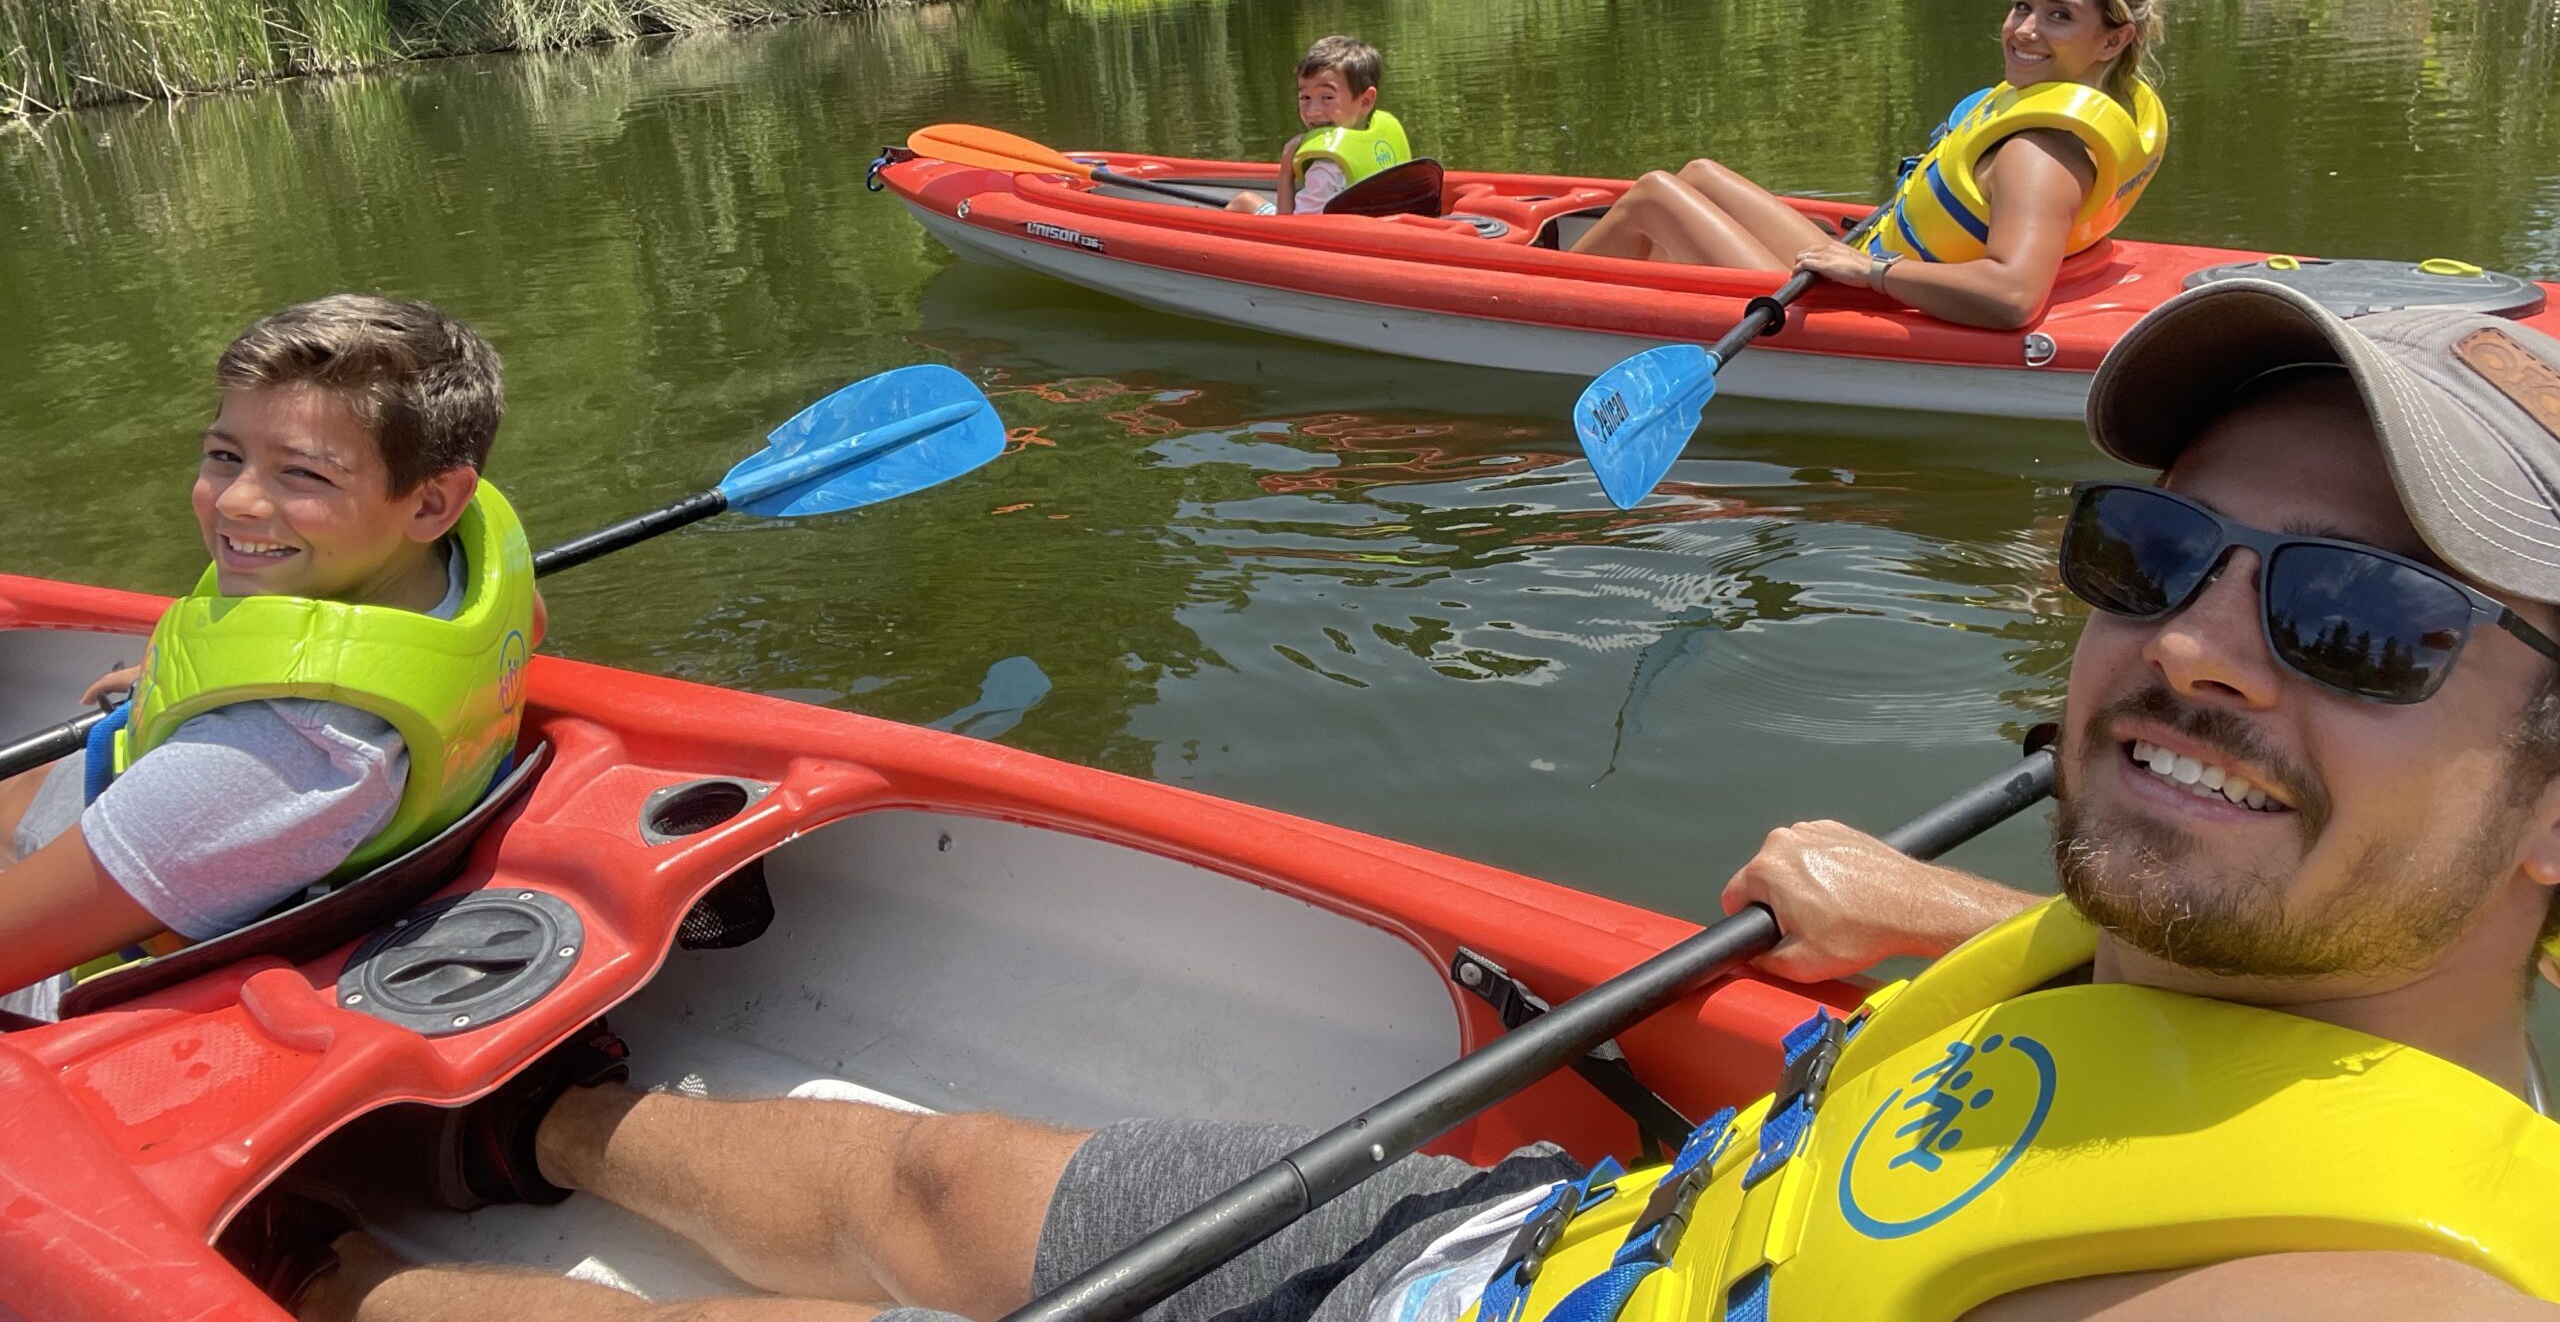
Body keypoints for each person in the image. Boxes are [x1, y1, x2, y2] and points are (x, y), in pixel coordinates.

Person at [277, 280, 2560, 1321]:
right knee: (944, 1172)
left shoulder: (2377, 1277)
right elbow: (2156, 1061)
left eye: (2353, 622)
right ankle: (527, 1136)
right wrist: (1907, 922)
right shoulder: (2224, 946)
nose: (2184, 646)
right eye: (2146, 554)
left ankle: (335, 1275)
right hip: (1531, 1250)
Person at [0, 294, 540, 1018]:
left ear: (432, 502)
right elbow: (524, 623)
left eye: (303, 475)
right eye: (226, 455)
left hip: (48, 973)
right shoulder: (468, 556)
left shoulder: (278, 755)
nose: (235, 503)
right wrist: (198, 668)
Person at [1573, 0, 2168, 332]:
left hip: (1860, 299)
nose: (2024, 30)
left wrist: (1870, 274)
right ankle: (1618, 300)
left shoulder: (2037, 150)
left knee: (1655, 194)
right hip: (1862, 267)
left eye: (2058, 15)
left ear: (2114, 39)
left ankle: (1553, 314)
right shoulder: (2059, 105)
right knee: (1698, 174)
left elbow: (2012, 296)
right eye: (2021, 6)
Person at [1225, 36, 1412, 217]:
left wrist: (1286, 171)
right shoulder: (1382, 137)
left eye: (1327, 98)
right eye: (1305, 98)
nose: (1313, 111)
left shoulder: (1324, 169)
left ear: (1365, 101)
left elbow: (1291, 230)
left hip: (1327, 237)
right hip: (1376, 225)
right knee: (1247, 201)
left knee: (1243, 201)